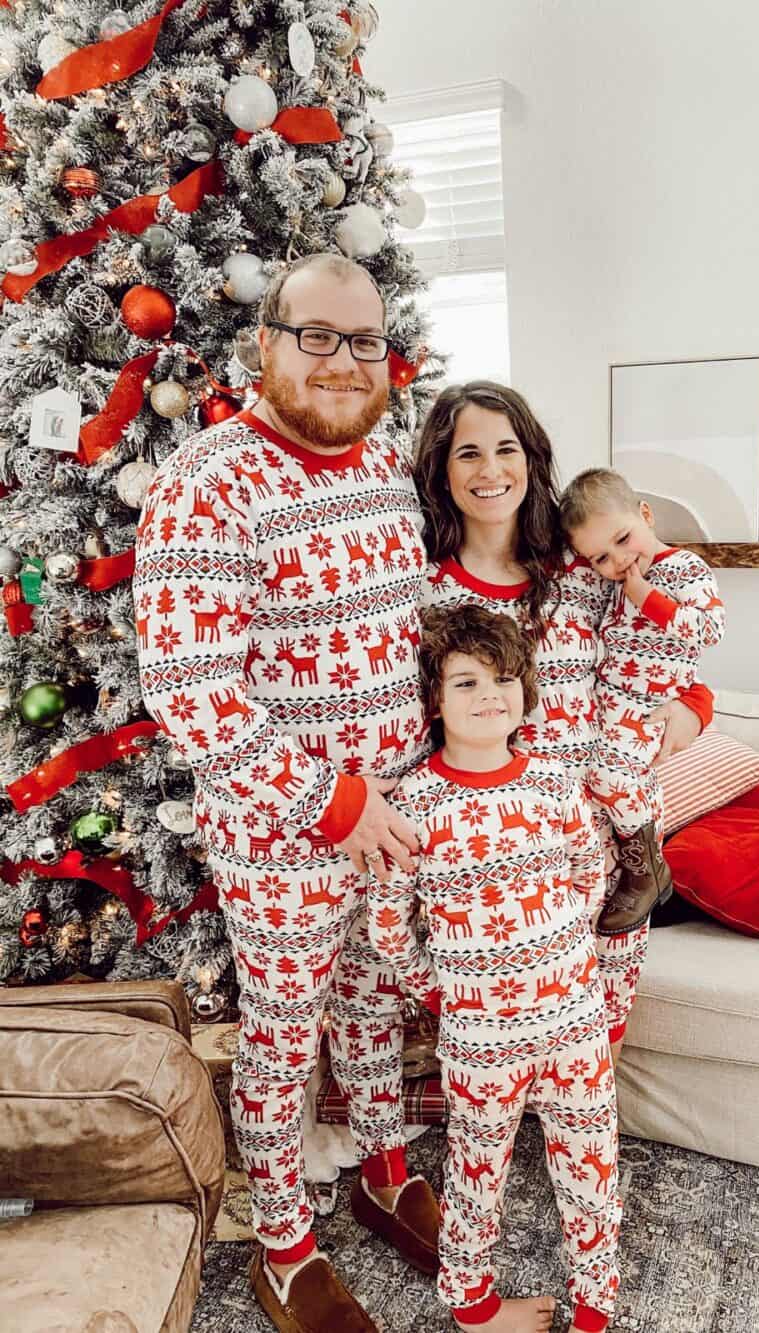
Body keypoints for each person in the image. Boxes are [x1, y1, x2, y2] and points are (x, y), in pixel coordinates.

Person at [134, 254, 439, 1333]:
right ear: (266, 342)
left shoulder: (392, 468)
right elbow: (189, 687)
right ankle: (283, 1243)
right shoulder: (206, 480)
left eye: (366, 340)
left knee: (375, 1002)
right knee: (284, 1034)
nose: (346, 361)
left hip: (396, 820)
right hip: (284, 837)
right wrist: (332, 804)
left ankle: (386, 1172)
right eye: (320, 335)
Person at [414, 381, 714, 1062]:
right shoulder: (426, 588)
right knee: (516, 1026)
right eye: (467, 453)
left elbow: (667, 652)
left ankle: (587, 1152)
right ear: (441, 467)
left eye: (506, 448)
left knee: (603, 1007)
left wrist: (694, 708)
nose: (491, 470)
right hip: (502, 845)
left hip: (612, 827)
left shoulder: (582, 565)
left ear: (532, 457)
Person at [369, 604, 620, 1333]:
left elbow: (587, 871)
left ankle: (597, 1306)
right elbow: (390, 924)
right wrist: (445, 991)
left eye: (505, 678)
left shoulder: (551, 783)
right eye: (468, 680)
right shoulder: (416, 801)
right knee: (478, 1172)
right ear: (434, 699)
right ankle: (474, 1304)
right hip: (481, 1036)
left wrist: (561, 949)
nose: (490, 695)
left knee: (592, 1167)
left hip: (574, 1021)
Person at [559, 468, 726, 934]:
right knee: (592, 784)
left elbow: (708, 630)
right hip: (610, 708)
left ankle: (647, 867)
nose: (617, 561)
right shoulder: (610, 586)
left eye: (623, 539)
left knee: (611, 772)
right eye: (600, 558)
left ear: (645, 515)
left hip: (652, 707)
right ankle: (619, 869)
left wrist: (644, 594)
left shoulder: (684, 569)